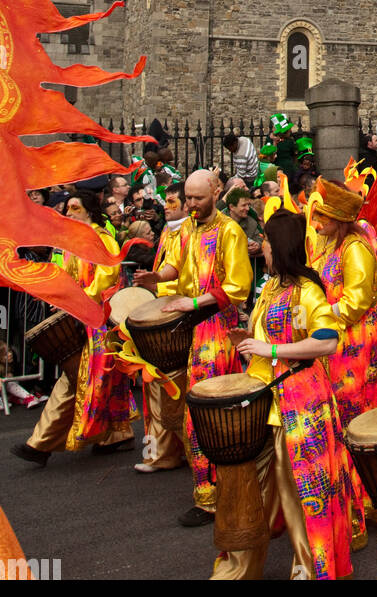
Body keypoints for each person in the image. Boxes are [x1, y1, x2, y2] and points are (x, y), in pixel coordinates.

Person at [212, 207, 354, 581]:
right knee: (249, 493)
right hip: (264, 402)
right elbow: (267, 337)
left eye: (268, 242)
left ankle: (311, 569)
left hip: (298, 406)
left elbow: (327, 341)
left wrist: (270, 350)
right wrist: (251, 342)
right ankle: (238, 570)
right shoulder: (272, 286)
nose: (263, 249)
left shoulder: (308, 290)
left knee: (301, 494)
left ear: (281, 246)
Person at [134, 169, 253, 526]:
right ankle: (207, 494)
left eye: (197, 198)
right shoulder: (186, 228)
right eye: (187, 198)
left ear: (216, 193)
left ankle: (224, 494)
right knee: (193, 416)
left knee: (214, 415)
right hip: (192, 330)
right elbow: (175, 265)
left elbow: (237, 288)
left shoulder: (230, 231)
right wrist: (158, 277)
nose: (191, 205)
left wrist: (195, 302)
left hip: (217, 330)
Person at [11, 191, 135, 465]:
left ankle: (45, 444)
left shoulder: (103, 239)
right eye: (67, 208)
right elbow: (64, 276)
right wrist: (58, 296)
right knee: (83, 381)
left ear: (89, 211)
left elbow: (107, 277)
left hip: (99, 323)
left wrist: (78, 300)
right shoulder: (70, 243)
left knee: (97, 381)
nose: (68, 213)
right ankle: (110, 435)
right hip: (78, 320)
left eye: (74, 208)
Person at [308, 176, 377, 549]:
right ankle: (356, 503)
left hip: (355, 347)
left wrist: (319, 316)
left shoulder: (355, 248)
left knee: (355, 419)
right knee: (345, 420)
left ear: (339, 220)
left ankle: (367, 501)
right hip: (338, 345)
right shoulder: (331, 245)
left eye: (323, 218)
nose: (316, 224)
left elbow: (358, 302)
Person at [134, 183, 190, 475]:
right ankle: (158, 453)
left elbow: (190, 279)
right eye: (166, 201)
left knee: (168, 388)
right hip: (164, 312)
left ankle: (172, 453)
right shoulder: (170, 231)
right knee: (157, 388)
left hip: (179, 316)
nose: (166, 206)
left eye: (172, 201)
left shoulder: (189, 232)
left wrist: (158, 283)